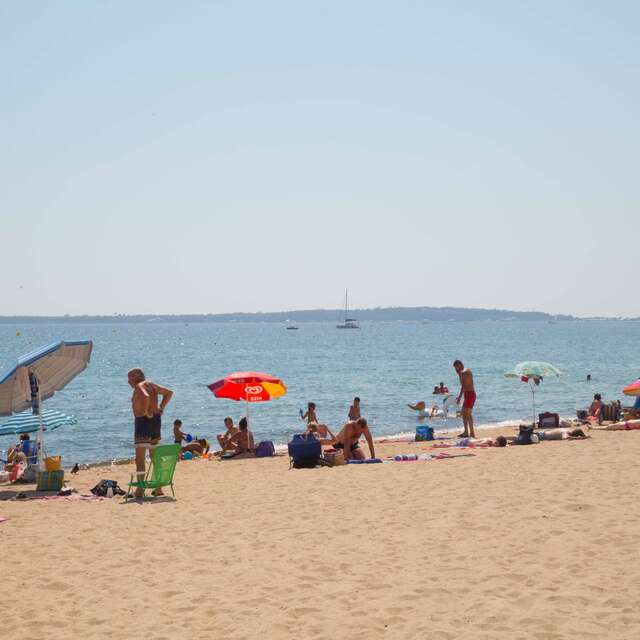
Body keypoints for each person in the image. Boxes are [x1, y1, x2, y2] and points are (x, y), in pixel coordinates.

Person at [128, 368, 173, 498]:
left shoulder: (139, 386)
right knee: (154, 457)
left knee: (140, 458)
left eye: (130, 377)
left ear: (137, 377)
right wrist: (161, 407)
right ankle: (158, 488)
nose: (128, 381)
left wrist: (144, 411)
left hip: (143, 422)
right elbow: (169, 393)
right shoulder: (152, 385)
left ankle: (140, 490)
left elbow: (145, 396)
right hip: (155, 420)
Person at [453, 360, 476, 438]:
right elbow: (465, 385)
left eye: (456, 367)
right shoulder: (467, 370)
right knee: (464, 413)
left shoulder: (463, 372)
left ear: (459, 365)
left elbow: (463, 386)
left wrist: (459, 397)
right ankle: (467, 432)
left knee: (467, 414)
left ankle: (471, 433)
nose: (456, 370)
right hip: (469, 394)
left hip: (469, 394)